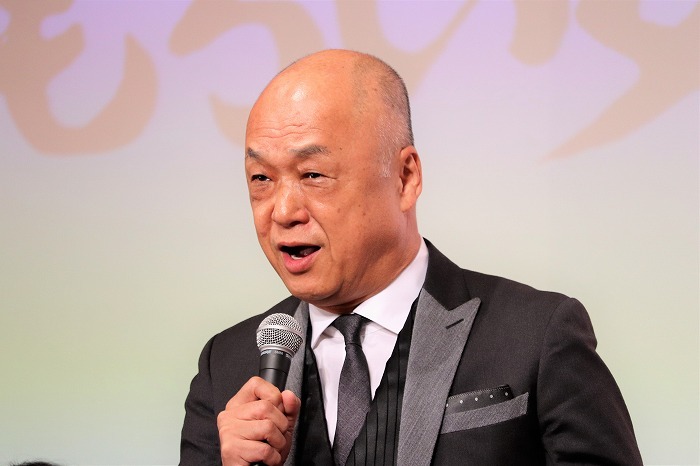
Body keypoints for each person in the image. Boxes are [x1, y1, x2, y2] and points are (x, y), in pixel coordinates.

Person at [180, 49, 642, 465]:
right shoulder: (227, 364)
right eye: (261, 179)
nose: (282, 212)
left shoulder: (535, 335)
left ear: (404, 178)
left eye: (313, 174)